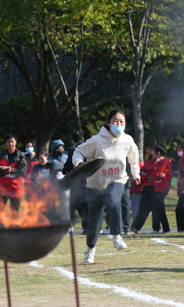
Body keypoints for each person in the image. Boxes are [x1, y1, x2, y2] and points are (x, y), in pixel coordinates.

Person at [73, 109, 141, 263]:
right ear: (109, 123)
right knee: (94, 221)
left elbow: (134, 157)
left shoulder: (128, 140)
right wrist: (77, 163)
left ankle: (116, 235)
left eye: (122, 122)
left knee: (113, 201)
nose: (118, 124)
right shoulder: (97, 140)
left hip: (117, 179)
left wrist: (136, 174)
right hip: (95, 184)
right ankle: (90, 249)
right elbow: (79, 150)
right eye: (115, 121)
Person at [0, 134, 27, 216]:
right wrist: (4, 172)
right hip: (3, 187)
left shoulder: (21, 156)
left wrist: (12, 170)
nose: (10, 144)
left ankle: (14, 228)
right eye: (8, 142)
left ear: (15, 142)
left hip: (15, 187)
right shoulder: (1, 155)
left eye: (12, 141)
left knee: (15, 210)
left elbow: (22, 171)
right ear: (6, 143)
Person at [63, 131, 88, 234]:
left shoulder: (73, 150)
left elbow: (66, 168)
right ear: (83, 139)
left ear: (73, 141)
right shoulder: (89, 148)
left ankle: (69, 227)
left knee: (73, 205)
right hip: (90, 181)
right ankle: (87, 228)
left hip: (76, 183)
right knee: (86, 205)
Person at [130, 140, 157, 234]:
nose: (146, 151)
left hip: (154, 187)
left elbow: (155, 174)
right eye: (145, 149)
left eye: (148, 149)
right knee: (143, 209)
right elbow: (142, 174)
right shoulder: (147, 161)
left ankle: (156, 228)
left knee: (155, 208)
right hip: (146, 187)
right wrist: (146, 176)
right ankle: (135, 228)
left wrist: (148, 175)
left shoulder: (157, 161)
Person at [150, 144, 172, 233]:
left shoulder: (165, 162)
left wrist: (158, 174)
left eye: (154, 153)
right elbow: (156, 175)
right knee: (158, 208)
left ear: (158, 153)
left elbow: (159, 175)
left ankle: (157, 228)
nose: (152, 155)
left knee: (157, 208)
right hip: (157, 187)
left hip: (162, 188)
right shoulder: (158, 162)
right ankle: (164, 228)